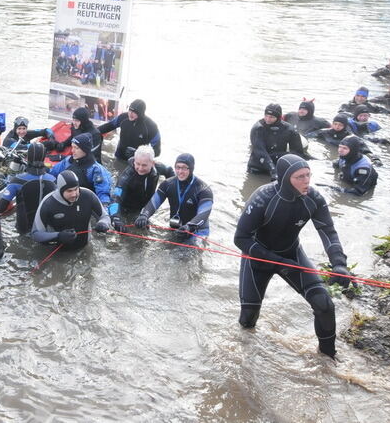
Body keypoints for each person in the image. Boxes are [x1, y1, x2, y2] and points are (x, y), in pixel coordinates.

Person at [234, 154, 350, 358]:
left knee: (324, 305)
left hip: (292, 254)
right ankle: (245, 360)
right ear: (285, 178)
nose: (306, 181)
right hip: (258, 260)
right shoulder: (263, 197)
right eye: (300, 177)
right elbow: (241, 239)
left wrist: (339, 264)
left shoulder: (313, 199)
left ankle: (328, 360)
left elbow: (328, 232)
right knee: (248, 319)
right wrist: (278, 262)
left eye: (308, 175)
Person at [130, 154, 213, 240]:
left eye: (184, 168)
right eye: (178, 167)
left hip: (197, 232)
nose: (180, 171)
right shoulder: (167, 184)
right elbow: (154, 202)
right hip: (176, 228)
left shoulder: (203, 190)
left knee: (185, 252)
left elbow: (204, 213)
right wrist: (144, 215)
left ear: (191, 169)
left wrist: (189, 226)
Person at [32, 171, 110, 251]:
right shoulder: (48, 204)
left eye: (76, 189)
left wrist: (103, 223)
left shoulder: (88, 196)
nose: (74, 194)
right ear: (61, 190)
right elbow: (36, 234)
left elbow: (104, 216)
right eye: (69, 191)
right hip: (58, 252)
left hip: (85, 248)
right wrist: (58, 236)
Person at [0, 143, 57, 234]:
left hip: (23, 229)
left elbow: (1, 207)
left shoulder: (17, 180)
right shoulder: (54, 180)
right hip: (46, 230)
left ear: (27, 158)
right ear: (44, 158)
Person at [107, 146, 173, 228]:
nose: (140, 168)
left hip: (145, 207)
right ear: (134, 161)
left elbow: (170, 171)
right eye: (138, 164)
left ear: (152, 163)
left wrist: (173, 189)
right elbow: (115, 198)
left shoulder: (158, 168)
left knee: (145, 228)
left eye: (144, 165)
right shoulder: (127, 176)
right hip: (126, 208)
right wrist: (116, 218)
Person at [49, 134, 112, 206]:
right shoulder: (68, 161)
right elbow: (52, 173)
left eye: (76, 148)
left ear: (85, 150)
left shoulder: (95, 169)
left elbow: (103, 194)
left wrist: (104, 207)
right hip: (63, 200)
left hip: (81, 204)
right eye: (72, 147)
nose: (72, 151)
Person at [247, 104, 306, 179]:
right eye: (266, 116)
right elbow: (260, 151)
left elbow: (297, 153)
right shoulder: (258, 128)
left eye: (271, 117)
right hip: (257, 167)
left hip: (278, 166)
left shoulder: (289, 130)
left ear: (279, 117)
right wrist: (273, 170)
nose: (268, 119)